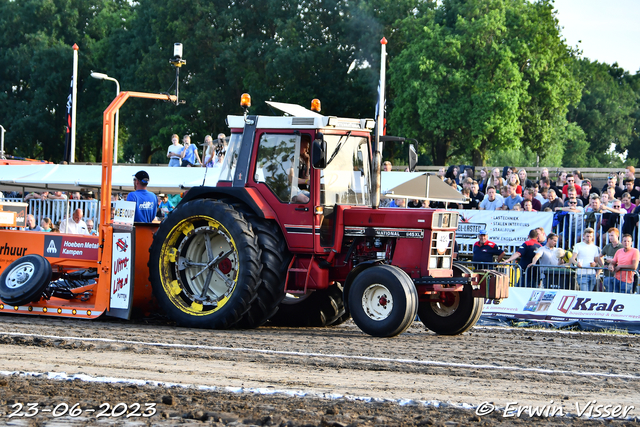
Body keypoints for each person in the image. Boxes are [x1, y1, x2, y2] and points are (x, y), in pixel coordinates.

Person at [600, 228, 623, 292]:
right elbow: (598, 257)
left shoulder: (622, 247)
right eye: (609, 235)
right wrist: (602, 266)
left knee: (617, 294)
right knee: (608, 293)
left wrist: (613, 261)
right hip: (608, 275)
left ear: (617, 235)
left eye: (612, 235)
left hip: (618, 276)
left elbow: (624, 260)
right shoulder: (607, 246)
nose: (610, 237)